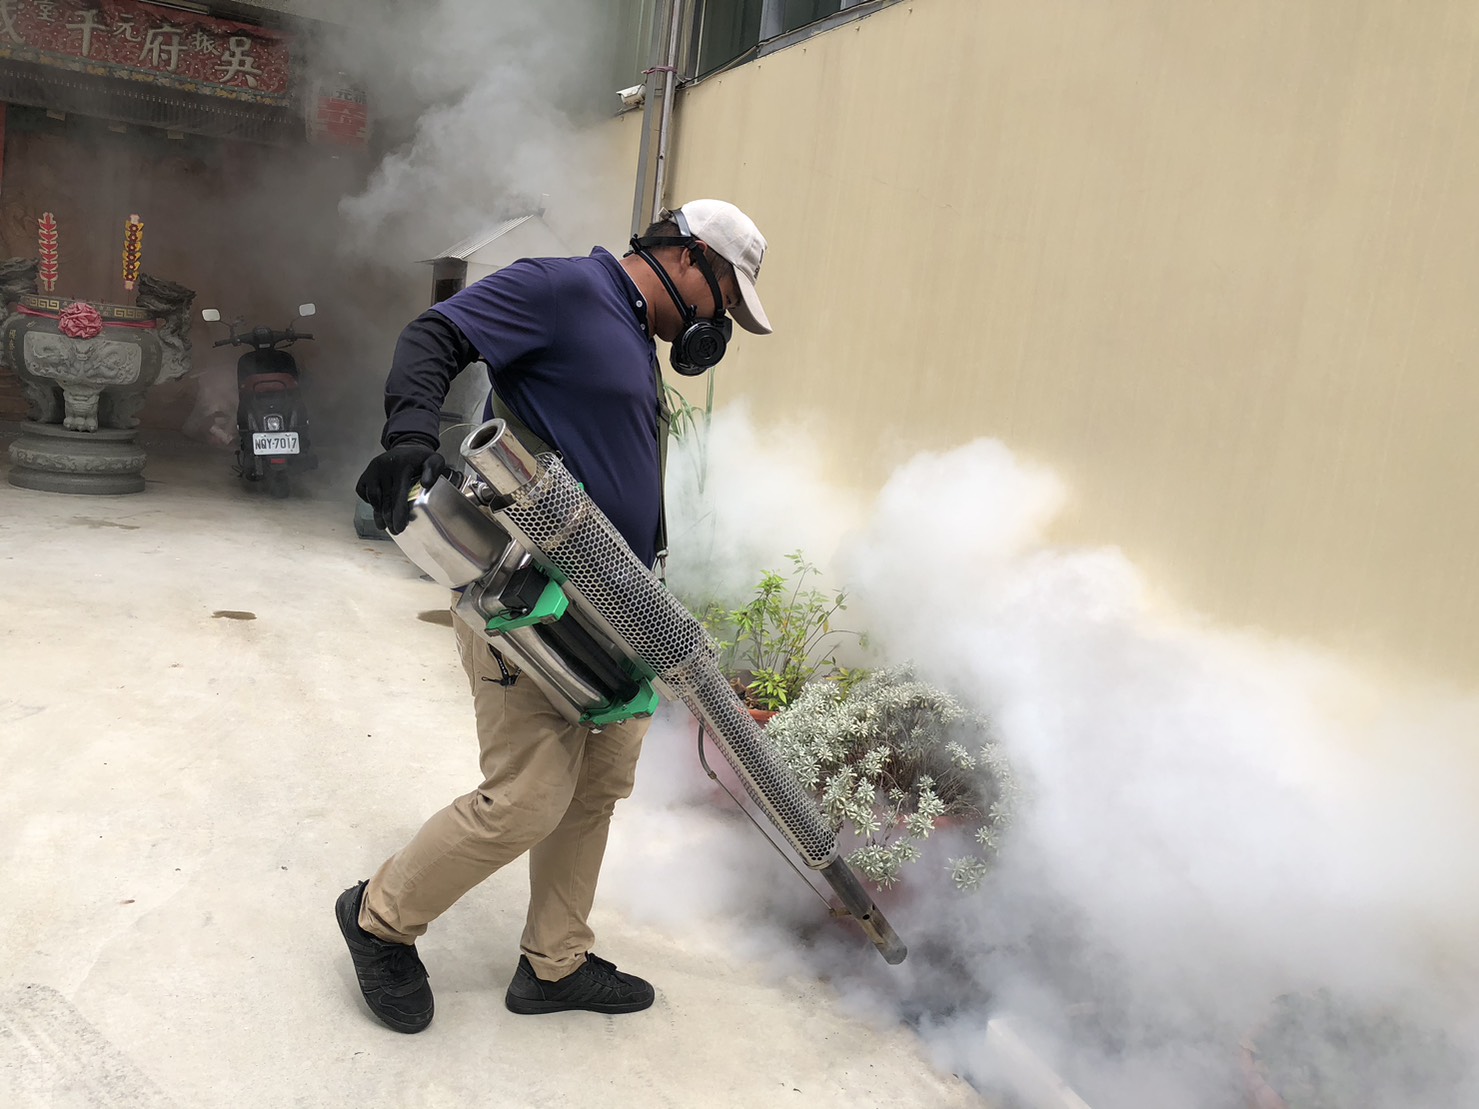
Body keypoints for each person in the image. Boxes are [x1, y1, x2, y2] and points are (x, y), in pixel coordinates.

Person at [339, 199, 772, 1033]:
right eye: (723, 298)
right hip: (532, 607)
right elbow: (435, 334)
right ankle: (377, 918)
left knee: (596, 787)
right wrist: (408, 436)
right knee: (527, 799)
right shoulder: (565, 289)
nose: (718, 322)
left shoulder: (629, 332)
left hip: (616, 616)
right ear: (690, 258)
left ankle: (554, 962)